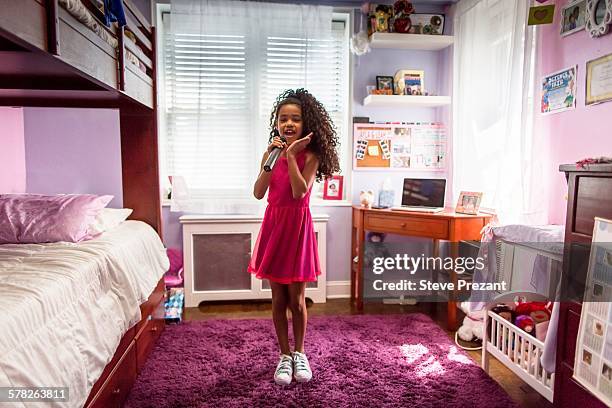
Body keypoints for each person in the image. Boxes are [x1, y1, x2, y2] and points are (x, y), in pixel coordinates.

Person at [249, 89, 340, 385]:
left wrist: (290, 155)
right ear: (276, 123)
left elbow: (300, 191)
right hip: (275, 227)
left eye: (295, 119)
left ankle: (300, 352)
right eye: (283, 118)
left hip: (298, 228)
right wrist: (273, 158)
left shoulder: (311, 156)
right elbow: (259, 192)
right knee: (277, 299)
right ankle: (284, 355)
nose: (288, 123)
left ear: (305, 123)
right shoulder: (270, 154)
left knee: (297, 300)